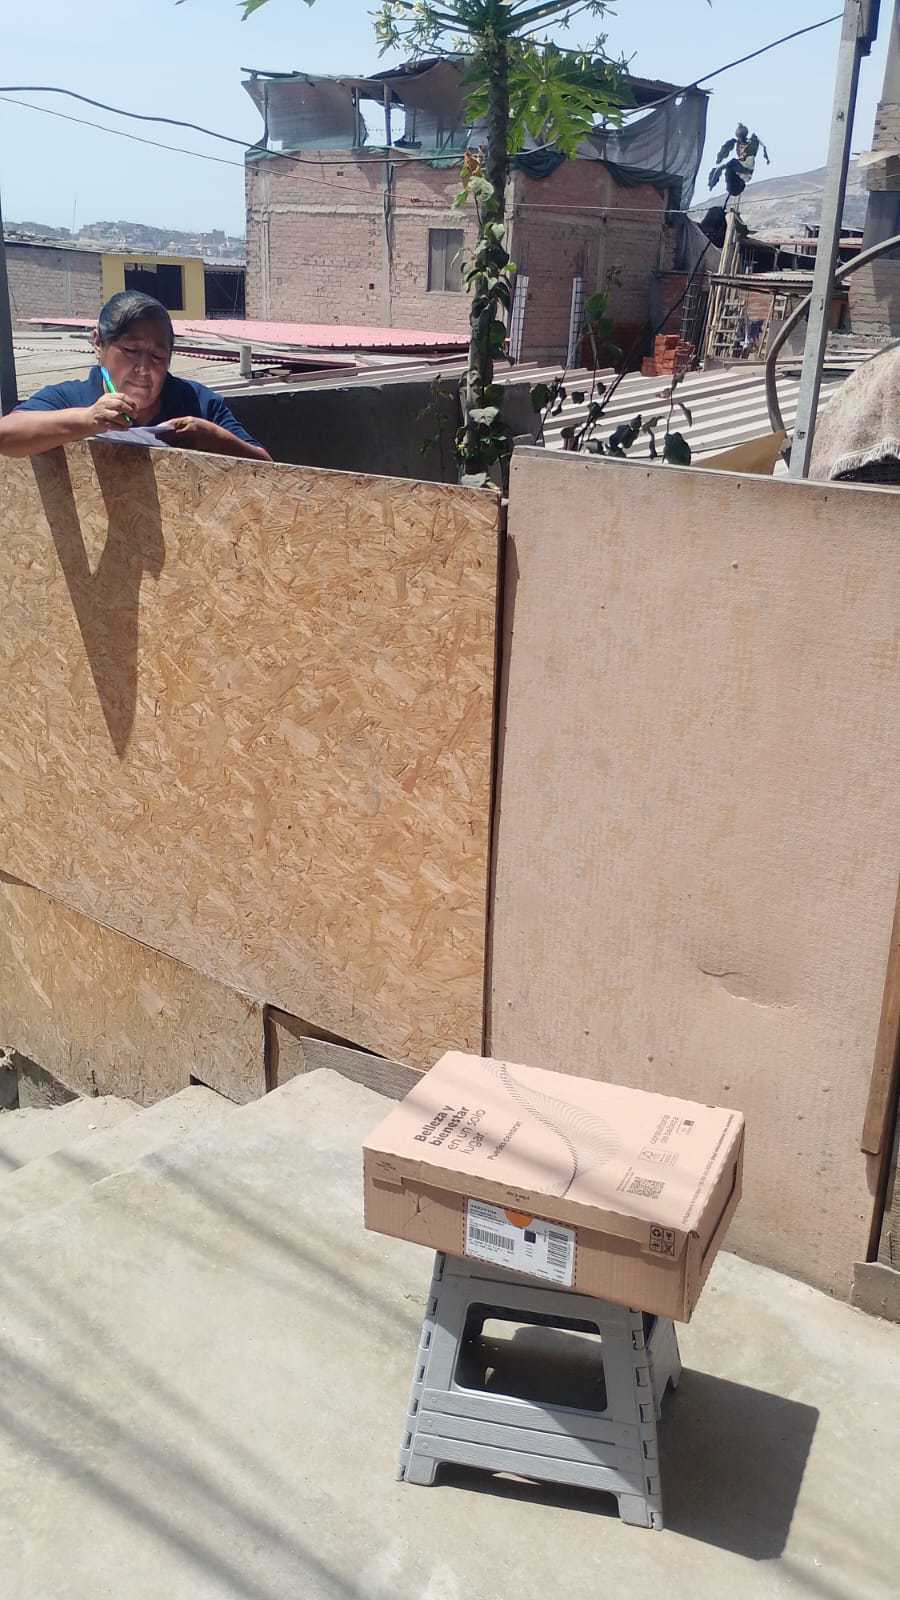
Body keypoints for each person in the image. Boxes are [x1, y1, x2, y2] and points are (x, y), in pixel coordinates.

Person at [0, 290, 271, 461]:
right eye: (131, 351)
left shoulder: (198, 402)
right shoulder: (71, 398)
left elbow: (266, 465)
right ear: (98, 343)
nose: (143, 369)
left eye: (157, 357)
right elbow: (6, 436)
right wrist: (87, 420)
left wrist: (213, 438)